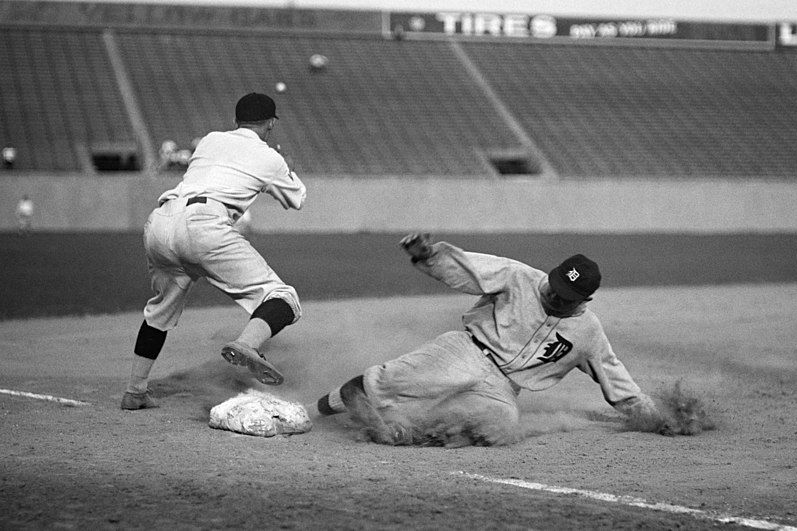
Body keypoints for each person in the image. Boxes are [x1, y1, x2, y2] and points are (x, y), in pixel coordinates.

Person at [313, 233, 669, 446]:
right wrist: (430, 255)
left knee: (499, 425)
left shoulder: (588, 332)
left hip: (503, 389)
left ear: (585, 300)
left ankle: (407, 433)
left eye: (567, 297)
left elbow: (616, 378)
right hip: (469, 351)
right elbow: (468, 268)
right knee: (423, 378)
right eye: (556, 286)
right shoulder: (519, 277)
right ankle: (338, 399)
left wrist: (657, 418)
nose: (556, 296)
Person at [122, 93, 307, 410]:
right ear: (271, 123)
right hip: (205, 226)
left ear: (236, 121)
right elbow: (296, 199)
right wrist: (286, 167)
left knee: (160, 311)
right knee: (283, 298)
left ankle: (135, 391)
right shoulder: (269, 157)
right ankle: (248, 345)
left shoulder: (210, 140)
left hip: (161, 222)